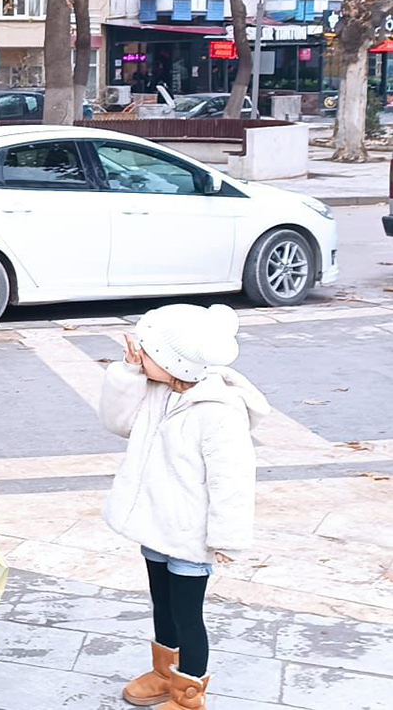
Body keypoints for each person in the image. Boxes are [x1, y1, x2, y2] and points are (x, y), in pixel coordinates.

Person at [98, 304, 267, 710]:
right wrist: (128, 372)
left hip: (192, 534)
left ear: (175, 362)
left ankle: (189, 693)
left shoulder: (218, 412)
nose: (140, 353)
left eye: (148, 351)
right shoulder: (157, 391)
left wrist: (227, 536)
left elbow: (233, 479)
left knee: (188, 614)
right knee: (163, 603)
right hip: (156, 524)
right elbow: (118, 422)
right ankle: (163, 673)